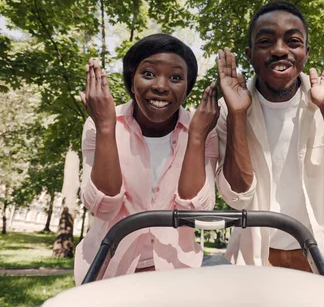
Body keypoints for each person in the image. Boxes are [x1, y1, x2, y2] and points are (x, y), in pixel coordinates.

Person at [215, 1, 324, 284]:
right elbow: (237, 196)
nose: (279, 49)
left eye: (293, 41)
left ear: (306, 53)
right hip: (254, 260)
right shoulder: (230, 107)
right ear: (249, 55)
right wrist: (237, 114)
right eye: (265, 41)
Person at [74, 34, 219, 284]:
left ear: (187, 88)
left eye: (175, 77)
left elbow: (195, 213)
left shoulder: (202, 129)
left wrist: (196, 136)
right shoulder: (99, 123)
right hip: (106, 273)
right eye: (149, 73)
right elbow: (103, 208)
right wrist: (106, 128)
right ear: (132, 82)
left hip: (177, 274)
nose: (161, 86)